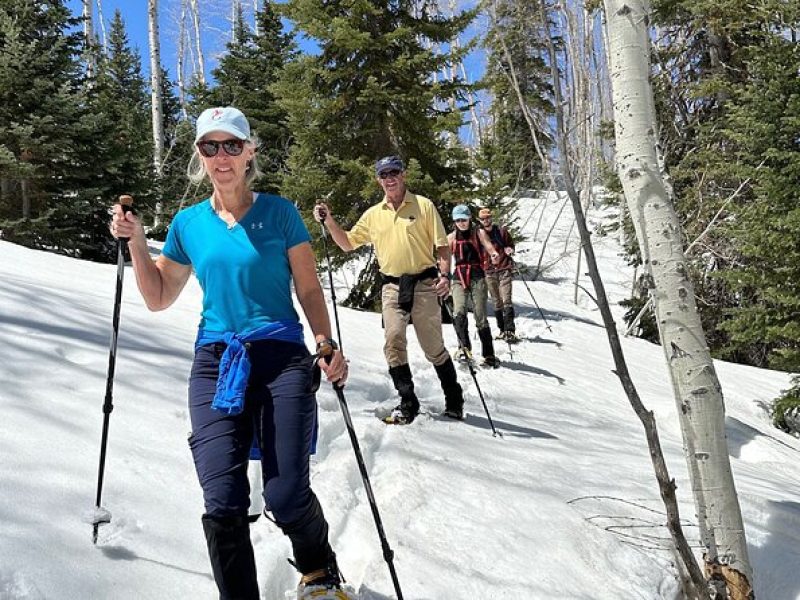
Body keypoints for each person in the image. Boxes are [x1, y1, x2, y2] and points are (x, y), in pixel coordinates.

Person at [110, 106, 353, 600]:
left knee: (285, 495)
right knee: (222, 499)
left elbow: (308, 289)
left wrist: (325, 342)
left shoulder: (280, 213)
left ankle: (318, 567)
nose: (221, 156)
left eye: (232, 145)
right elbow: (158, 296)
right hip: (216, 363)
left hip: (281, 356)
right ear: (200, 156)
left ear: (250, 153)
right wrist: (137, 243)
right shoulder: (188, 223)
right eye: (209, 147)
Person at [313, 155, 465, 424]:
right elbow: (347, 243)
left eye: (394, 172)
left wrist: (444, 275)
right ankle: (408, 402)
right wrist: (329, 222)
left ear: (403, 174)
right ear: (378, 180)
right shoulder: (374, 215)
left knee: (433, 347)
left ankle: (454, 398)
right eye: (384, 175)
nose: (389, 178)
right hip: (392, 287)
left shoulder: (423, 206)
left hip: (425, 284)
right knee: (393, 341)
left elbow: (442, 246)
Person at [448, 204, 501, 368]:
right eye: (457, 220)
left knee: (480, 315)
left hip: (477, 275)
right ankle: (464, 348)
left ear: (469, 218)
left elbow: (488, 246)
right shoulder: (451, 237)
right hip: (458, 276)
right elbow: (444, 256)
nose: (461, 223)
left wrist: (493, 254)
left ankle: (489, 354)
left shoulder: (478, 233)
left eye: (463, 219)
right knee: (459, 312)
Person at [478, 207, 518, 342]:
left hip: (504, 268)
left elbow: (511, 245)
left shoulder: (502, 232)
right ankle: (502, 330)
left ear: (491, 218)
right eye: (483, 219)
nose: (486, 220)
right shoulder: (479, 235)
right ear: (480, 220)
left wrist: (509, 249)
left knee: (506, 299)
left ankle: (510, 330)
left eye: (488, 218)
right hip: (489, 271)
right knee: (496, 301)